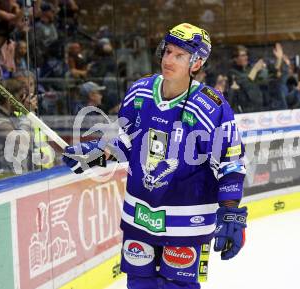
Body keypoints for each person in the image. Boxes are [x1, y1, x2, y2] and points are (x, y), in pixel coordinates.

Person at [62, 23, 247, 289]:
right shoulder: (140, 91)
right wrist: (94, 154)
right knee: (139, 285)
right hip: (140, 214)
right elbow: (126, 141)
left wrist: (231, 213)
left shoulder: (212, 106)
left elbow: (231, 163)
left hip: (187, 221)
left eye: (179, 55)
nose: (168, 59)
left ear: (196, 63)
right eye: (167, 51)